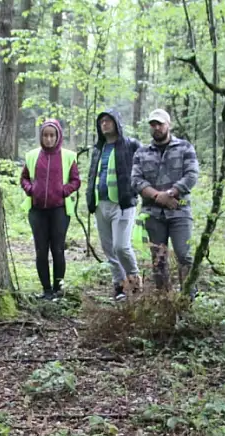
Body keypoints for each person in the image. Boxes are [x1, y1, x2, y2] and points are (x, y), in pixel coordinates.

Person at [131, 109, 200, 291]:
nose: (156, 128)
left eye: (160, 124)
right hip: (153, 214)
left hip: (180, 211)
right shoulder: (141, 153)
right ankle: (164, 300)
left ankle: (188, 297)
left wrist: (171, 193)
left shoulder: (185, 147)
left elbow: (192, 175)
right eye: (153, 124)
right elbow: (136, 180)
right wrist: (158, 196)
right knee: (158, 260)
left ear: (168, 124)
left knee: (184, 256)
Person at [20, 119, 81, 299]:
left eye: (52, 135)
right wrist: (31, 189)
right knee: (40, 250)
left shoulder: (69, 156)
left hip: (59, 210)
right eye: (45, 135)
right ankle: (46, 290)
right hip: (37, 211)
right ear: (41, 136)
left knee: (58, 249)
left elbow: (76, 180)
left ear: (58, 136)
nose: (48, 139)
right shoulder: (32, 156)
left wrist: (63, 190)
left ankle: (58, 289)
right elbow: (24, 178)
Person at [87, 109, 142, 301]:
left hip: (123, 204)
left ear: (117, 122)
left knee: (121, 247)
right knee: (109, 249)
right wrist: (90, 200)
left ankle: (135, 282)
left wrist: (136, 191)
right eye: (101, 121)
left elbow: (143, 167)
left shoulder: (130, 145)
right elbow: (93, 175)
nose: (104, 124)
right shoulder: (98, 149)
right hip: (101, 204)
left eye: (108, 120)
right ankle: (119, 286)